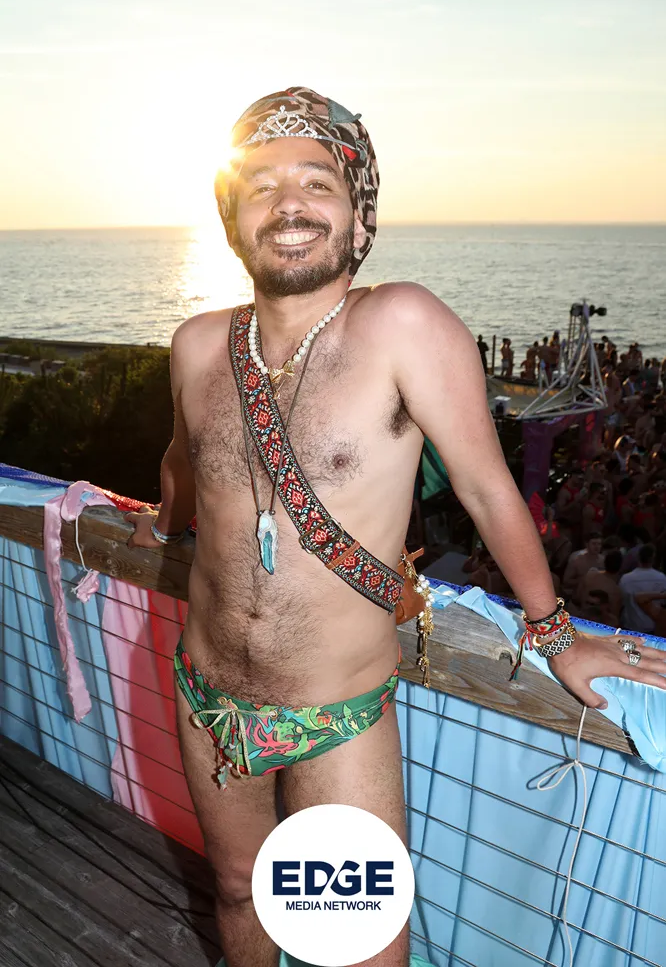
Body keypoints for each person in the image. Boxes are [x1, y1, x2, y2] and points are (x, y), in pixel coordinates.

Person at [125, 86, 666, 967]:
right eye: (261, 184)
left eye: (317, 182)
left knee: (362, 938)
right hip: (206, 692)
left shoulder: (402, 323)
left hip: (339, 712)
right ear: (232, 212)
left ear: (357, 213)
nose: (289, 204)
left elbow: (489, 489)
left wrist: (556, 631)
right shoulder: (195, 345)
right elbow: (185, 465)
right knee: (236, 889)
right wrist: (158, 525)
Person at [619, 544, 666, 633]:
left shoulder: (626, 578)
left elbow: (621, 601)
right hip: (652, 627)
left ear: (638, 558)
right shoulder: (662, 578)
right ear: (653, 559)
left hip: (631, 626)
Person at [573, 550, 623, 626]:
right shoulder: (616, 592)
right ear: (621, 567)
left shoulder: (589, 576)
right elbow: (614, 616)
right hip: (593, 624)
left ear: (604, 563)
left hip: (583, 621)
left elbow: (577, 596)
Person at [562, 532, 604, 601]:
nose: (597, 547)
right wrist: (582, 580)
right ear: (587, 544)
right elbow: (566, 581)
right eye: (594, 544)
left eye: (599, 544)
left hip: (599, 599)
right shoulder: (577, 561)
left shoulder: (604, 560)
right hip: (580, 598)